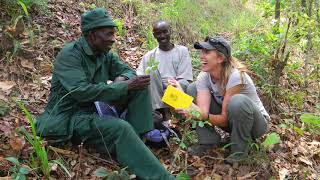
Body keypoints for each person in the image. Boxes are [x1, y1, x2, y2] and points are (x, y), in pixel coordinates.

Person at [35, 8, 174, 179]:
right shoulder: (70, 55)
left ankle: (138, 141)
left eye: (113, 34)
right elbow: (81, 92)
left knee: (139, 85)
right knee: (120, 128)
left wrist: (122, 79)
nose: (113, 39)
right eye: (108, 34)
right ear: (92, 34)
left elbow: (129, 72)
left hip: (94, 109)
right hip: (69, 116)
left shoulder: (104, 53)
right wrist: (121, 87)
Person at [172, 36, 269, 164]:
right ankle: (208, 141)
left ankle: (240, 152)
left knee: (237, 101)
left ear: (220, 58)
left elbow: (222, 120)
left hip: (255, 125)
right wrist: (182, 97)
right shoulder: (204, 77)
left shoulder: (236, 76)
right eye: (201, 52)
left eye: (206, 52)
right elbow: (201, 113)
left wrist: (198, 112)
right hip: (232, 122)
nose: (201, 56)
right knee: (192, 88)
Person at [136, 20, 193, 121]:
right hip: (156, 90)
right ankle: (161, 112)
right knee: (150, 73)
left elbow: (185, 78)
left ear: (170, 31)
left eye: (165, 32)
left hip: (176, 87)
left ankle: (173, 115)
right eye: (158, 33)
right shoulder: (149, 56)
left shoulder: (182, 51)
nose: (162, 36)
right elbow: (139, 76)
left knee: (181, 84)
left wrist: (172, 86)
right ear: (154, 35)